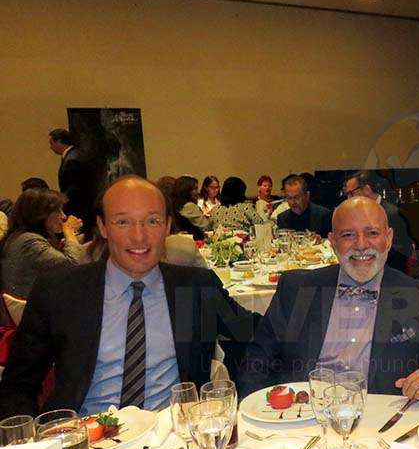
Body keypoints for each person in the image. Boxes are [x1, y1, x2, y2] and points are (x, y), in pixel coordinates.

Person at [0, 176, 258, 417]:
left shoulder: (196, 287)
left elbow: (256, 335)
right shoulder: (60, 292)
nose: (139, 236)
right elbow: (17, 386)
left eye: (153, 221)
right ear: (102, 226)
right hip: (85, 443)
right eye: (122, 222)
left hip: (173, 443)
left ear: (168, 225)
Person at [239, 197, 419, 401]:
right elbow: (257, 360)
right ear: (333, 242)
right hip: (301, 419)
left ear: (389, 238)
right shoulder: (296, 289)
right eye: (348, 235)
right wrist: (258, 409)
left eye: (372, 233)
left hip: (379, 426)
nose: (361, 244)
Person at [0, 189, 86, 299]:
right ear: (40, 214)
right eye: (57, 211)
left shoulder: (18, 237)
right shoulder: (29, 242)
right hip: (30, 311)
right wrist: (69, 233)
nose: (63, 216)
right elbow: (73, 267)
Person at [343, 170, 413, 272]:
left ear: (366, 189)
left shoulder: (392, 213)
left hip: (390, 272)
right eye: (347, 195)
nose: (348, 199)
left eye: (351, 193)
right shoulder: (359, 212)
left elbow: (401, 250)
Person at [49, 128, 99, 238]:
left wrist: (62, 200)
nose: (50, 147)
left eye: (51, 143)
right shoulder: (76, 155)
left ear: (59, 141)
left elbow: (77, 188)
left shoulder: (72, 160)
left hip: (78, 208)